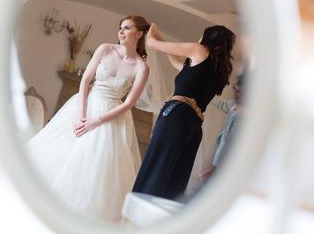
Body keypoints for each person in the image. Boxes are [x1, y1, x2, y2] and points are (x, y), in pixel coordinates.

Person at [26, 15, 150, 221]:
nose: (120, 31)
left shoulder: (142, 67)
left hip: (110, 117)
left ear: (139, 33)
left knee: (98, 164)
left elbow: (128, 104)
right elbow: (85, 80)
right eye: (120, 27)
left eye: (126, 28)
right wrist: (83, 115)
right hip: (85, 106)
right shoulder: (105, 49)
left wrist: (97, 121)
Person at [132, 23, 236, 201]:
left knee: (157, 167)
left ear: (208, 38)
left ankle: (137, 216)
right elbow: (176, 64)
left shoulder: (198, 50)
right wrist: (161, 39)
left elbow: (151, 44)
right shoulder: (218, 70)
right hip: (194, 126)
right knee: (175, 178)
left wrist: (152, 33)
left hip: (177, 116)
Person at [197, 72, 245, 181]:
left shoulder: (241, 117)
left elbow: (229, 145)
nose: (235, 93)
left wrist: (214, 167)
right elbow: (223, 105)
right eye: (234, 88)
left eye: (239, 91)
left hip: (225, 158)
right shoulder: (235, 104)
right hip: (220, 151)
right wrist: (207, 92)